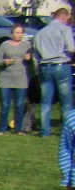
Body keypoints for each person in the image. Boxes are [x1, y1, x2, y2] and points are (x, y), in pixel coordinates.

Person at [32, 8, 74, 137]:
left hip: (45, 67)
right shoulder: (65, 29)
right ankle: (66, 132)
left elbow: (35, 56)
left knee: (45, 102)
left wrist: (38, 73)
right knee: (66, 102)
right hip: (61, 65)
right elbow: (71, 48)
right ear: (63, 17)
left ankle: (44, 131)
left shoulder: (40, 33)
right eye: (67, 19)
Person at [0, 25, 32, 135]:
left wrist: (29, 58)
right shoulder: (4, 45)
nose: (19, 35)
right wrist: (4, 62)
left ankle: (18, 129)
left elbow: (32, 61)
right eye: (17, 33)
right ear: (12, 33)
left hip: (21, 79)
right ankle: (2, 129)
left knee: (19, 105)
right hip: (6, 79)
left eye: (21, 33)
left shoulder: (27, 45)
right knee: (5, 105)